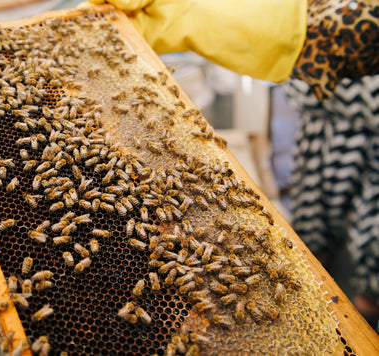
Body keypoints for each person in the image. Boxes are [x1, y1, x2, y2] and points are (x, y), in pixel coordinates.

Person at [81, 0, 379, 325]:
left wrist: (300, 24)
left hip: (352, 63)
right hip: (328, 89)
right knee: (318, 199)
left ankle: (367, 295)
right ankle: (319, 264)